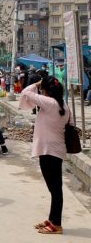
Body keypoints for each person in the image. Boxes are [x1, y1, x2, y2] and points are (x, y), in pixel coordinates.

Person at [20, 76, 70, 234]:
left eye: (43, 88)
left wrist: (37, 83)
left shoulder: (49, 103)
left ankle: (57, 225)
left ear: (47, 90)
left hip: (49, 150)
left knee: (55, 189)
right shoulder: (63, 105)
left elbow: (26, 92)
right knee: (55, 188)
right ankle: (52, 219)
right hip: (55, 149)